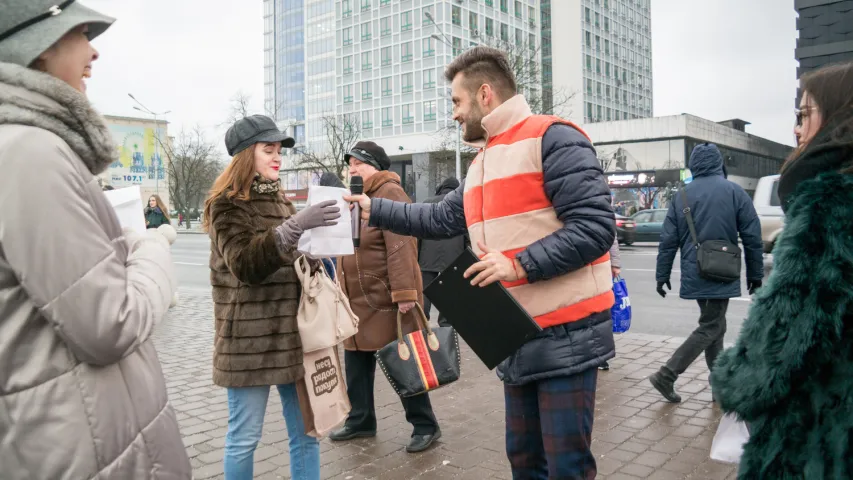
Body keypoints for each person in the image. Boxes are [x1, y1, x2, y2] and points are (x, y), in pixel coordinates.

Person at [346, 46, 615, 479]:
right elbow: (438, 217)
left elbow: (596, 227)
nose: (453, 114)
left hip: (566, 335)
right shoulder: (483, 161)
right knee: (524, 461)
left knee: (566, 467)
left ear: (485, 94)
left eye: (456, 101)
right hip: (513, 334)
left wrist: (518, 264)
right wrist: (372, 209)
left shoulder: (554, 137)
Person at [0, 2, 191, 479]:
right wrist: (150, 247)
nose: (94, 52)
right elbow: (109, 325)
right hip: (83, 443)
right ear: (38, 48)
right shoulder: (30, 151)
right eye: (81, 33)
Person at [710, 62, 853, 479]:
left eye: (805, 115)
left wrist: (735, 380)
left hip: (817, 427)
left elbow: (790, 326)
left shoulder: (830, 202)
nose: (797, 129)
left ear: (839, 116)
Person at [203, 114, 341, 480]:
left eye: (279, 150)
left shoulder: (280, 199)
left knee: (307, 434)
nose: (278, 157)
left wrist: (315, 251)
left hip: (293, 335)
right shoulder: (226, 204)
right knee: (244, 439)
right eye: (269, 150)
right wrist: (295, 228)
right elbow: (246, 264)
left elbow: (288, 254)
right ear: (246, 155)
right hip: (248, 341)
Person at [330, 141, 442, 453]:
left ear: (377, 167)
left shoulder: (389, 193)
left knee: (403, 363)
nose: (352, 169)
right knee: (356, 362)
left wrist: (405, 293)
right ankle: (361, 420)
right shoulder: (355, 197)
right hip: (358, 298)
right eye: (349, 164)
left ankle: (425, 425)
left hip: (385, 299)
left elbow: (401, 245)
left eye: (359, 164)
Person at [651, 143, 763, 403]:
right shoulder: (735, 192)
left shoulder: (682, 196)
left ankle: (718, 385)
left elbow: (668, 240)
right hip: (723, 269)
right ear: (718, 163)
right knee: (711, 325)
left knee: (716, 326)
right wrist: (755, 275)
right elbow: (752, 237)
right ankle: (667, 374)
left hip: (697, 269)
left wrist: (662, 274)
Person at [418, 177, 467, 326]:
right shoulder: (462, 204)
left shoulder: (427, 203)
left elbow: (418, 231)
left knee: (424, 291)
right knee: (449, 293)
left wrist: (417, 255)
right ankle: (445, 324)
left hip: (427, 256)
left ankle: (421, 320)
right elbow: (468, 234)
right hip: (454, 258)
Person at [599, 236, 622, 371]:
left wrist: (615, 263)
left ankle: (602, 357)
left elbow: (611, 237)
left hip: (600, 267)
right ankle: (601, 357)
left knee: (601, 313)